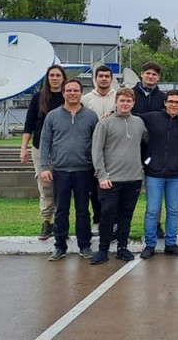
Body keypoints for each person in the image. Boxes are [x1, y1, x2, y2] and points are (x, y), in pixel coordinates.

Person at [40, 79, 98, 261]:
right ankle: (59, 246)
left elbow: (97, 144)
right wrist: (44, 167)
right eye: (69, 90)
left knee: (83, 210)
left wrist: (97, 167)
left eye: (76, 90)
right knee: (61, 211)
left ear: (81, 93)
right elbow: (45, 142)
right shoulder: (52, 116)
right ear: (63, 93)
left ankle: (85, 245)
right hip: (61, 171)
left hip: (84, 170)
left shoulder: (91, 116)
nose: (72, 93)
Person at [90, 88, 147, 264]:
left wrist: (145, 165)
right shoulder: (105, 123)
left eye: (128, 101)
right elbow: (96, 150)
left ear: (133, 103)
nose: (125, 104)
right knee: (107, 214)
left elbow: (148, 142)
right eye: (122, 100)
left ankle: (122, 247)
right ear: (116, 102)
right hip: (110, 179)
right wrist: (101, 175)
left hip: (133, 178)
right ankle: (103, 249)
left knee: (126, 214)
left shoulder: (139, 122)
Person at [139, 90, 178, 259]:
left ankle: (171, 243)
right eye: (170, 101)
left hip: (176, 173)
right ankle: (150, 244)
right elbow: (129, 113)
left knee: (173, 210)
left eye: (177, 102)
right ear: (165, 102)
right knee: (152, 210)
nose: (173, 104)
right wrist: (109, 113)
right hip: (154, 173)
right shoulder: (152, 117)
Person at [21, 65, 65, 240]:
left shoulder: (68, 97)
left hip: (63, 148)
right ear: (47, 78)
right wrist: (23, 147)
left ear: (63, 78)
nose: (55, 78)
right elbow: (29, 123)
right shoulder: (38, 98)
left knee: (63, 187)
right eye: (51, 75)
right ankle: (47, 221)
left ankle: (62, 223)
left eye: (58, 75)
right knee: (45, 186)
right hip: (41, 148)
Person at [131, 61, 166, 238]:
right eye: (148, 73)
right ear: (142, 74)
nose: (151, 77)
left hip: (154, 150)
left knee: (155, 189)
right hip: (132, 149)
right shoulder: (131, 94)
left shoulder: (163, 98)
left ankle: (157, 224)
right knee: (128, 188)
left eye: (154, 74)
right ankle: (122, 224)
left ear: (158, 77)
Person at [81, 64, 116, 236]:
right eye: (100, 76)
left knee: (114, 187)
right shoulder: (86, 99)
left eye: (106, 76)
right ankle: (98, 220)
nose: (103, 79)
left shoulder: (118, 96)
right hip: (92, 148)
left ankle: (114, 221)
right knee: (95, 188)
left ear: (111, 78)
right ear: (95, 78)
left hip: (114, 149)